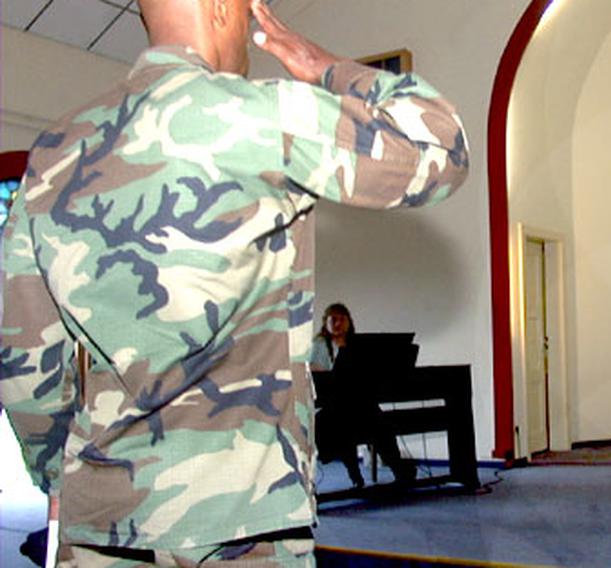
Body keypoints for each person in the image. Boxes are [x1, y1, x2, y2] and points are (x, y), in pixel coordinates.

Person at [0, 0, 468, 564]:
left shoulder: (57, 151)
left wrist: (63, 476)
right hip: (241, 517)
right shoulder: (259, 115)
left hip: (104, 517)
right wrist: (323, 66)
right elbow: (442, 145)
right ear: (222, 8)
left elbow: (23, 358)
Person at [310, 303, 416, 488]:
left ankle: (398, 469)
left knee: (380, 423)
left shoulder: (359, 345)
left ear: (349, 322)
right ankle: (355, 474)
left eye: (342, 319)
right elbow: (312, 372)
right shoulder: (317, 345)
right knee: (342, 423)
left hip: (359, 404)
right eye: (333, 319)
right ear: (325, 322)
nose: (338, 323)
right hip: (332, 406)